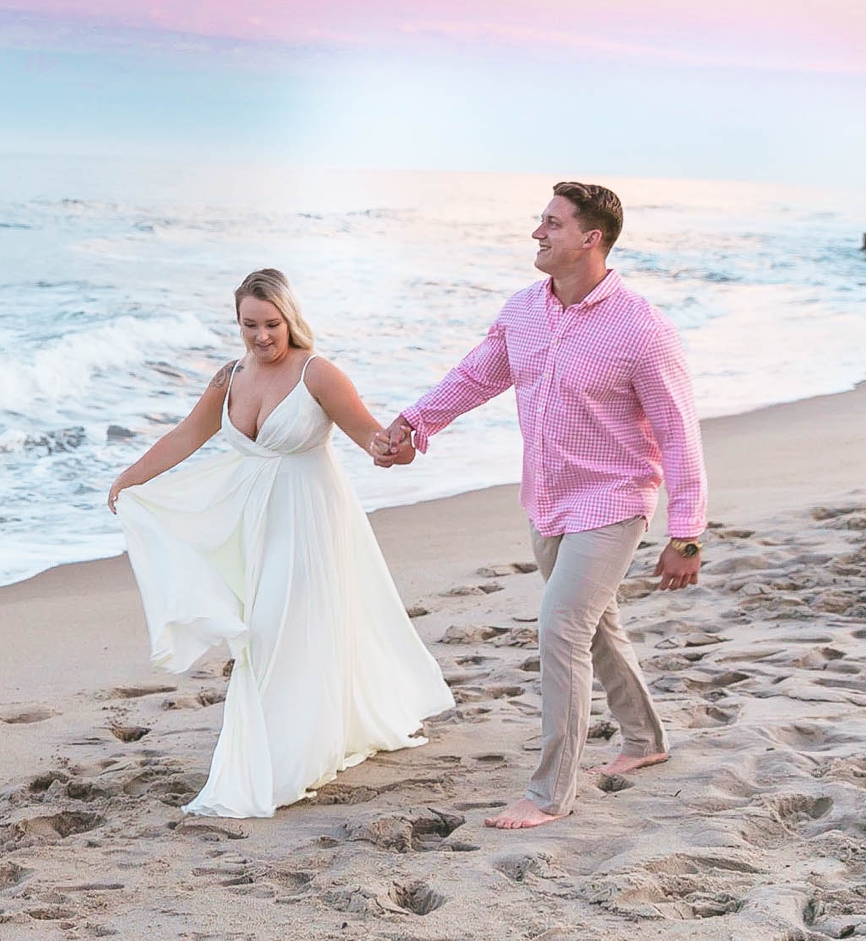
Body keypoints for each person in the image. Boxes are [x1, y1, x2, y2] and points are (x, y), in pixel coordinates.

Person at [372, 181, 706, 830]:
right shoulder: (524, 310)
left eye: (551, 224)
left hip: (613, 503)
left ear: (592, 238)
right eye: (540, 221)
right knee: (597, 625)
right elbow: (477, 375)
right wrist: (415, 423)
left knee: (561, 630)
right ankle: (645, 739)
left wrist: (686, 533)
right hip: (547, 499)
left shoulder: (642, 328)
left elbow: (678, 433)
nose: (537, 233)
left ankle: (552, 793)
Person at [108, 268, 454, 819]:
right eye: (250, 325)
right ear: (238, 322)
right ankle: (291, 740)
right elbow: (185, 436)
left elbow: (370, 437)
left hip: (310, 520)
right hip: (252, 522)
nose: (262, 336)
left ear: (290, 319)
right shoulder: (229, 376)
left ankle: (281, 761)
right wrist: (130, 478)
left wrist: (396, 448)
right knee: (263, 634)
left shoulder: (318, 374)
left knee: (279, 631)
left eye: (272, 324)